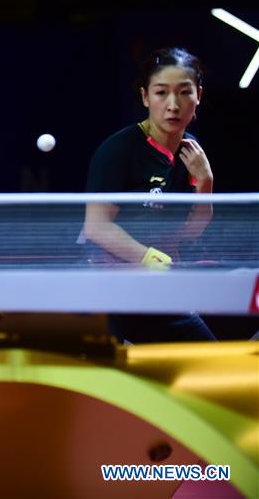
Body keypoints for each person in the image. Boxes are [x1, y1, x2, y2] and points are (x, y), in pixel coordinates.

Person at [82, 46, 216, 343]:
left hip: (156, 288)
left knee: (207, 353)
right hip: (107, 287)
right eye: (161, 93)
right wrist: (149, 257)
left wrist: (205, 181)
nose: (173, 105)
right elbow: (96, 226)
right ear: (145, 97)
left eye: (184, 92)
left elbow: (192, 231)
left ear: (198, 96)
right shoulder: (119, 150)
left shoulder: (191, 152)